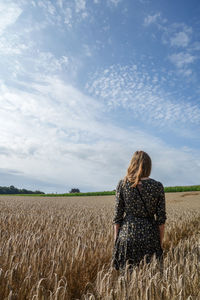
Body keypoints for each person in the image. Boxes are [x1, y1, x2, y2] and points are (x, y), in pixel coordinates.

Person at [111, 150, 166, 273]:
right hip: (150, 237)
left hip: (127, 236)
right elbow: (161, 220)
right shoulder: (157, 186)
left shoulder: (123, 184)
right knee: (150, 277)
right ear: (149, 166)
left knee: (126, 279)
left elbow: (117, 217)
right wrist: (159, 243)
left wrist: (116, 241)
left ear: (133, 164)